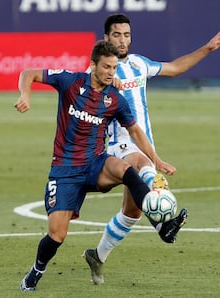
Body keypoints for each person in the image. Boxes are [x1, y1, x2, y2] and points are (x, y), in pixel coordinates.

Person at [83, 14, 220, 285]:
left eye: (127, 35)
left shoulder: (139, 64)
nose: (122, 40)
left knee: (131, 213)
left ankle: (97, 255)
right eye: (116, 35)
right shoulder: (100, 71)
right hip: (118, 145)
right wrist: (104, 81)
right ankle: (165, 222)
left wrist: (207, 48)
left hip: (144, 141)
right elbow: (85, 92)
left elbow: (175, 68)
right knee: (144, 165)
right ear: (106, 38)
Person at [15, 40, 176, 291]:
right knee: (57, 235)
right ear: (93, 66)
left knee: (126, 171)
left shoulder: (115, 99)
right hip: (65, 170)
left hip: (95, 164)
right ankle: (36, 271)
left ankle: (161, 224)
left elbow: (134, 130)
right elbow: (29, 73)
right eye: (107, 67)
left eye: (114, 67)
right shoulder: (70, 81)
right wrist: (25, 94)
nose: (112, 72)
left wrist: (156, 159)